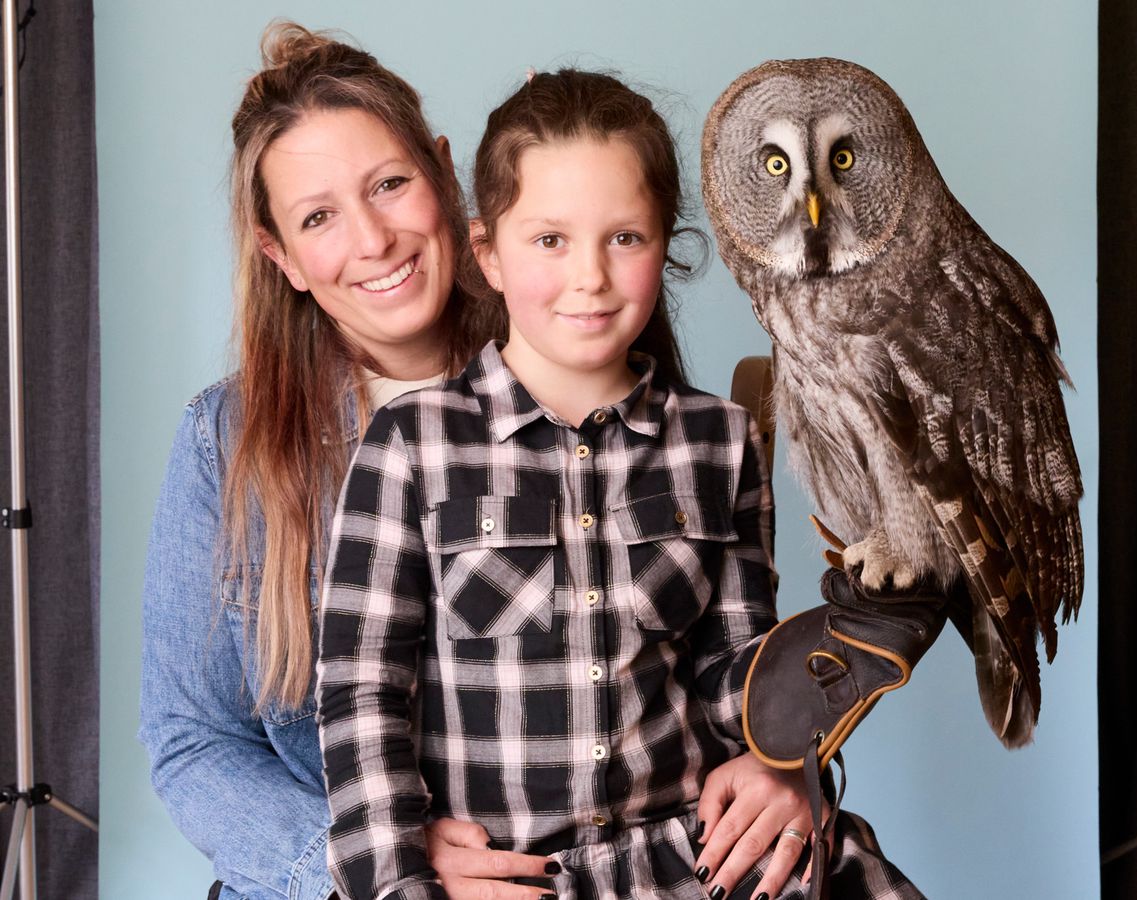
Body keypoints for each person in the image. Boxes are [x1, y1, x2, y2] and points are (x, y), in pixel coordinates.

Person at [139, 24, 823, 900]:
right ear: (282, 256)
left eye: (390, 185)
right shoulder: (227, 439)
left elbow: (716, 659)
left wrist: (782, 769)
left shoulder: (584, 352)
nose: (374, 239)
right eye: (318, 217)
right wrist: (378, 865)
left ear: (446, 178)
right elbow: (194, 743)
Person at [317, 69, 922, 900]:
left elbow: (730, 681)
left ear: (668, 243)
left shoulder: (719, 440)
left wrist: (811, 712)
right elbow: (361, 703)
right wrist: (398, 887)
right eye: (550, 241)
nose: (591, 278)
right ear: (487, 252)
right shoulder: (409, 448)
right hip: (518, 879)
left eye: (625, 238)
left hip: (688, 860)